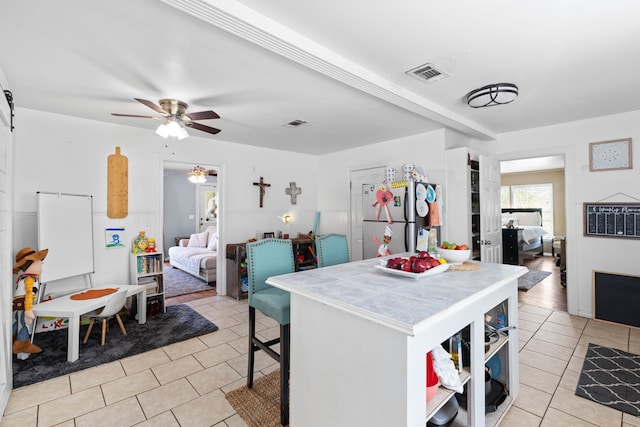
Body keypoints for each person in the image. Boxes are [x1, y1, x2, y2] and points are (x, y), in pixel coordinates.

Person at [12, 247, 49, 355]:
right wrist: (28, 311)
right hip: (23, 305)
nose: (41, 266)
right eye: (39, 263)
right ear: (33, 263)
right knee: (23, 324)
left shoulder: (24, 278)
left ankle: (10, 340)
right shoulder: (29, 280)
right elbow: (28, 296)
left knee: (18, 323)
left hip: (19, 305)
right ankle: (22, 345)